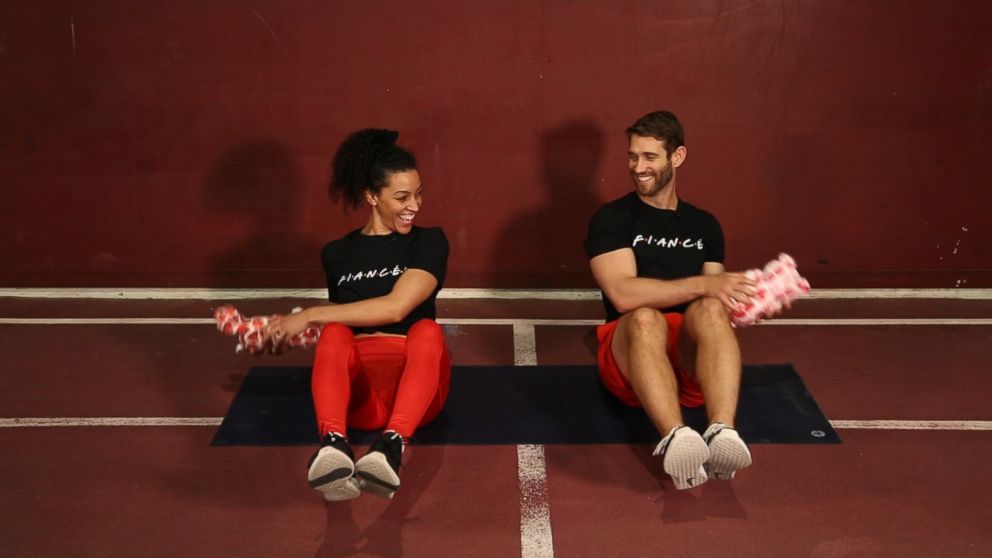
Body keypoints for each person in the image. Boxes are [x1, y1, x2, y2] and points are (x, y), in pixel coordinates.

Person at [262, 129, 450, 501]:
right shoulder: (336, 253)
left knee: (427, 329)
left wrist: (310, 315)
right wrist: (285, 326)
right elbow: (344, 316)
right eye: (401, 197)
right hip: (360, 395)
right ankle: (334, 444)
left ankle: (392, 446)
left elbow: (397, 307)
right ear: (370, 196)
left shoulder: (429, 241)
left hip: (415, 388)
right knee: (333, 333)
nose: (415, 204)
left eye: (418, 193)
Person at [583, 111, 756, 490]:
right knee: (646, 316)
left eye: (649, 157)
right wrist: (704, 285)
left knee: (711, 308)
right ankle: (676, 437)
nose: (638, 167)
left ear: (677, 157)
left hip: (688, 363)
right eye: (632, 156)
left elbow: (715, 300)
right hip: (631, 356)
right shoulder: (613, 219)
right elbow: (622, 294)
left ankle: (721, 431)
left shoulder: (704, 225)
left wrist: (749, 303)